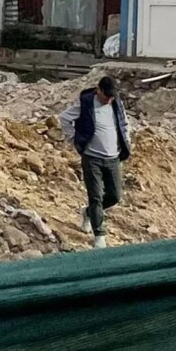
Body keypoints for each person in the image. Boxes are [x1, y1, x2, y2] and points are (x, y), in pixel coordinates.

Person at [58, 75, 131, 249]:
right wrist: (74, 139)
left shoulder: (116, 103)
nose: (109, 99)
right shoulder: (86, 103)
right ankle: (99, 234)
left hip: (113, 158)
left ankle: (88, 212)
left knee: (114, 196)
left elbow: (124, 123)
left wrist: (127, 140)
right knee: (96, 196)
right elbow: (65, 118)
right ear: (99, 90)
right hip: (92, 158)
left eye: (112, 96)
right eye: (107, 96)